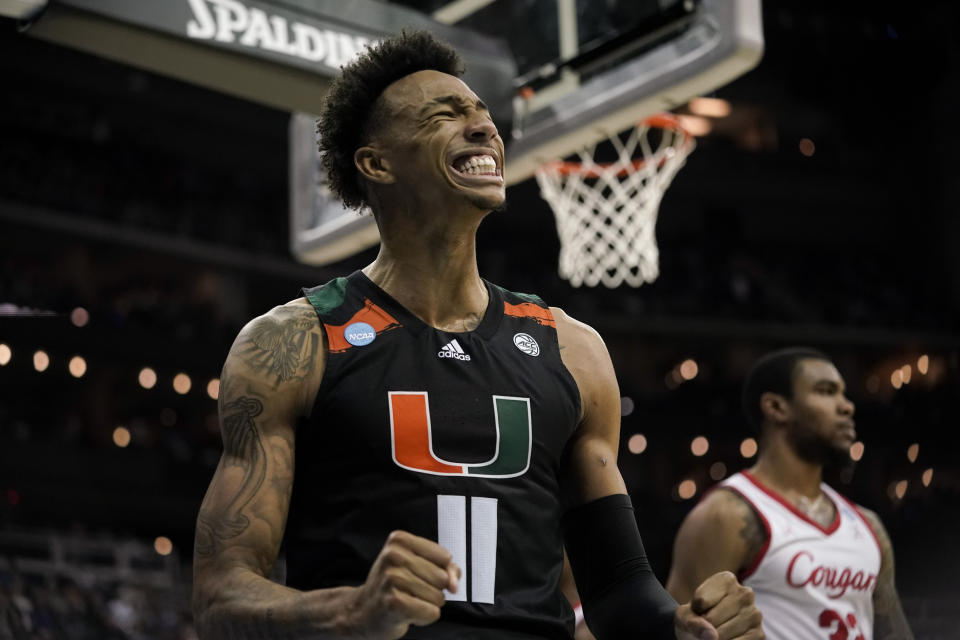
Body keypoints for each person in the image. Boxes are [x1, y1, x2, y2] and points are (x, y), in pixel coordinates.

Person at [192, 30, 763, 639]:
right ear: (377, 162)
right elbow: (220, 598)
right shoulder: (292, 344)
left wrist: (682, 628)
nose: (482, 128)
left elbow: (618, 590)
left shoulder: (572, 350)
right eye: (445, 115)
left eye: (483, 115)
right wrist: (351, 612)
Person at [666, 348, 914, 640]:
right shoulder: (726, 514)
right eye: (826, 391)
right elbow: (677, 632)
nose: (846, 406)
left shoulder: (868, 525)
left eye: (844, 394)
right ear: (776, 407)